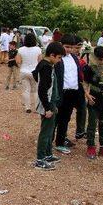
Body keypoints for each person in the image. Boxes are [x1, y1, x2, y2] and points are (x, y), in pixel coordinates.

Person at [32, 41, 65, 170]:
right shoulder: (45, 67)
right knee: (46, 131)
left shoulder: (45, 64)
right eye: (59, 58)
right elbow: (42, 89)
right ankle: (40, 159)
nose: (60, 60)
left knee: (50, 129)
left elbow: (35, 74)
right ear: (52, 55)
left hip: (51, 102)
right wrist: (47, 107)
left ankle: (47, 154)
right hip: (46, 103)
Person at [82, 46, 103, 159]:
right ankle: (91, 147)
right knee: (92, 124)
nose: (102, 62)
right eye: (99, 59)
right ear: (94, 57)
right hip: (94, 100)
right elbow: (85, 83)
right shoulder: (89, 68)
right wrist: (87, 94)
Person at [53, 34, 83, 154]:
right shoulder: (57, 59)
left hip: (72, 93)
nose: (69, 49)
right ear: (61, 45)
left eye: (71, 47)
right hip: (60, 93)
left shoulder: (74, 58)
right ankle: (49, 140)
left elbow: (77, 76)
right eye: (67, 46)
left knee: (65, 118)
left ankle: (60, 140)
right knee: (55, 118)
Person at [18, 33, 42, 113]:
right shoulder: (38, 49)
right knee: (35, 91)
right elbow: (40, 61)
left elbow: (18, 61)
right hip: (34, 72)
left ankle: (27, 107)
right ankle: (36, 108)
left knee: (26, 90)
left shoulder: (21, 49)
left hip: (24, 71)